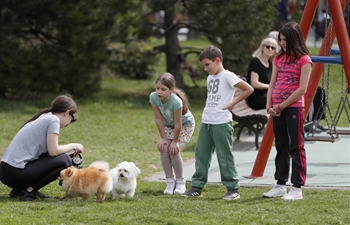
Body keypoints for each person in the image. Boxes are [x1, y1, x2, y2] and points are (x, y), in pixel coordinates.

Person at [181, 45, 253, 200]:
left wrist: (233, 103)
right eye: (203, 65)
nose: (205, 68)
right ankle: (196, 187)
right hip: (208, 121)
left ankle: (233, 189)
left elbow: (248, 89)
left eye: (207, 64)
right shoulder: (210, 77)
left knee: (224, 156)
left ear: (217, 60)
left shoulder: (228, 75)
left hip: (222, 122)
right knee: (201, 154)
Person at [0, 94, 84, 201]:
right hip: (15, 173)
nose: (69, 123)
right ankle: (29, 191)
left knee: (63, 158)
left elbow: (47, 154)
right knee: (64, 161)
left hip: (6, 171)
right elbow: (54, 151)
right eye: (73, 119)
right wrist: (74, 145)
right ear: (67, 113)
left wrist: (68, 152)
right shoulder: (53, 120)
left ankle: (19, 190)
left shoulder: (45, 117)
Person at [264, 21, 313, 200]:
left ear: (294, 39)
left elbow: (302, 89)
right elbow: (272, 83)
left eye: (285, 40)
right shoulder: (278, 58)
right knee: (281, 146)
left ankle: (297, 188)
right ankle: (280, 184)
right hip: (276, 108)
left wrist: (281, 105)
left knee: (296, 146)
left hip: (292, 108)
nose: (282, 43)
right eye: (281, 39)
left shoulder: (304, 59)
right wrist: (269, 106)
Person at [149, 73, 195, 195]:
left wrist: (175, 142)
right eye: (157, 88)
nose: (159, 92)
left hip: (184, 125)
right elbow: (158, 119)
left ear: (171, 89)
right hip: (168, 125)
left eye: (163, 89)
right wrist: (163, 138)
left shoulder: (176, 102)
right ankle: (170, 181)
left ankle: (180, 182)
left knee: (174, 150)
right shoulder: (153, 97)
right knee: (164, 148)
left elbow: (178, 124)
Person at [246, 37, 278, 110]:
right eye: (267, 47)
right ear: (262, 48)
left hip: (266, 96)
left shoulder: (270, 64)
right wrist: (270, 86)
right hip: (256, 98)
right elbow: (254, 83)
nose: (270, 49)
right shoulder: (256, 62)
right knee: (279, 98)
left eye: (273, 48)